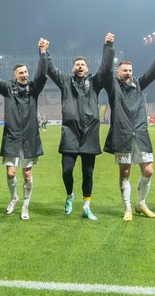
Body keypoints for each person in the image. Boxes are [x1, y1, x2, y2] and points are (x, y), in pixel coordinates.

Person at [97, 35, 155, 221]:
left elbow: (152, 74)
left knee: (148, 171)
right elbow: (104, 70)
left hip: (141, 132)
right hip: (122, 134)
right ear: (118, 73)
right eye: (124, 70)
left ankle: (141, 203)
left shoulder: (138, 84)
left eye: (130, 70)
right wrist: (109, 46)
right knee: (125, 172)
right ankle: (127, 207)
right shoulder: (113, 86)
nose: (128, 73)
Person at [45, 34, 113, 221]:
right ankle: (69, 195)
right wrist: (44, 52)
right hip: (70, 133)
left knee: (88, 172)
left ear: (87, 68)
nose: (80, 66)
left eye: (83, 64)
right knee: (67, 170)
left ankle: (86, 206)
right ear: (72, 68)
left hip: (90, 134)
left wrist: (108, 46)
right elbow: (50, 69)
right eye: (77, 65)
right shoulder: (65, 82)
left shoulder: (95, 83)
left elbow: (106, 68)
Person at [0, 39, 48, 220]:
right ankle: (14, 197)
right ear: (15, 76)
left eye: (26, 72)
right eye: (20, 72)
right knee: (10, 172)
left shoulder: (33, 89)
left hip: (29, 138)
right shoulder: (7, 88)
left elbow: (42, 75)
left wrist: (43, 53)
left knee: (27, 174)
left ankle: (25, 206)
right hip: (12, 137)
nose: (24, 75)